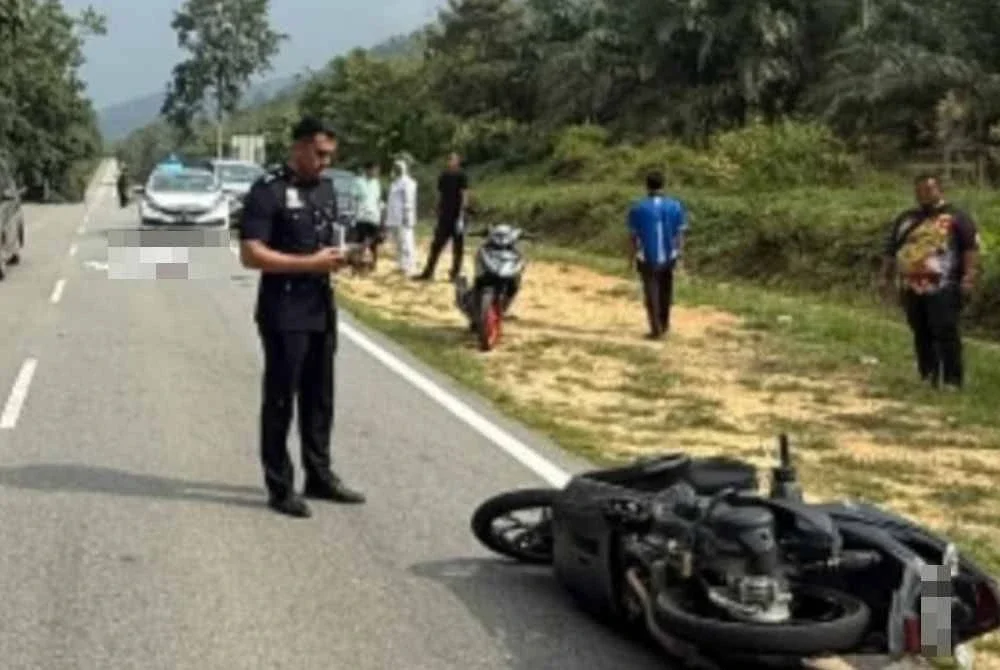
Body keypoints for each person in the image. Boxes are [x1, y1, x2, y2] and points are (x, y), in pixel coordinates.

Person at [238, 116, 366, 518]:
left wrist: (352, 257)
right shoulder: (268, 191)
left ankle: (319, 474)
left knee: (320, 397)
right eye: (320, 153)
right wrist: (308, 263)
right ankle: (280, 485)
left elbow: (331, 242)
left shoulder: (327, 190)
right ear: (298, 147)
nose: (326, 162)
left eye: (331, 155)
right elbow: (251, 253)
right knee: (281, 399)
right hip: (284, 309)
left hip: (319, 307)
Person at [879, 174, 980, 390]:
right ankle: (928, 375)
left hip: (944, 285)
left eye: (928, 189)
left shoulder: (957, 217)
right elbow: (891, 249)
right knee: (920, 330)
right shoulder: (907, 218)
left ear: (940, 190)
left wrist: (969, 277)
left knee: (945, 329)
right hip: (911, 285)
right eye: (919, 191)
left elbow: (970, 248)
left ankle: (952, 380)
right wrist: (884, 277)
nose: (923, 194)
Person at [626, 170, 687, 340]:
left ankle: (656, 328)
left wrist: (630, 259)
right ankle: (665, 324)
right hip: (669, 255)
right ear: (663, 185)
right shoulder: (675, 206)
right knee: (666, 290)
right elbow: (680, 234)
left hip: (647, 257)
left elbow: (633, 237)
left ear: (646, 186)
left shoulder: (637, 208)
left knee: (651, 292)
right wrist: (680, 255)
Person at [416, 152, 469, 281]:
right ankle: (428, 272)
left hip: (457, 215)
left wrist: (462, 215)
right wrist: (436, 209)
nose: (450, 161)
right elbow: (440, 194)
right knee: (436, 244)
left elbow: (465, 195)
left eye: (453, 159)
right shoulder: (444, 176)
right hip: (445, 215)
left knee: (458, 247)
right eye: (449, 159)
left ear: (458, 162)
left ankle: (455, 274)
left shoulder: (462, 176)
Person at [384, 158, 418, 275]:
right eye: (395, 167)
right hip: (394, 217)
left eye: (398, 168)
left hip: (403, 217)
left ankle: (410, 266)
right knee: (398, 242)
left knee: (406, 242)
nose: (396, 170)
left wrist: (406, 215)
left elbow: (408, 200)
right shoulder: (395, 183)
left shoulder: (408, 182)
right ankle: (401, 265)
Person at [353, 161, 385, 271]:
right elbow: (354, 198)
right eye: (374, 170)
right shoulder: (358, 181)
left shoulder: (376, 183)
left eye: (377, 170)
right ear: (367, 170)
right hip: (361, 216)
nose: (376, 172)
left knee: (374, 242)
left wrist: (381, 215)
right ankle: (358, 265)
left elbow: (378, 199)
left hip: (374, 216)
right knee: (360, 241)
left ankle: (373, 264)